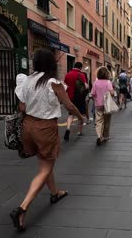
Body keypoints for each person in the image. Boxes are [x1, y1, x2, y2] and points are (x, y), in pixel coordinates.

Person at [10, 49, 82, 232]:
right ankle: (22, 208)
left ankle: (54, 193)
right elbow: (69, 105)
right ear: (51, 64)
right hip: (45, 128)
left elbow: (21, 106)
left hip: (28, 126)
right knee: (44, 169)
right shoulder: (53, 82)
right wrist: (81, 117)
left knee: (44, 162)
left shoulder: (27, 80)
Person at [63, 62, 88, 140]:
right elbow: (86, 86)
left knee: (71, 114)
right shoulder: (81, 75)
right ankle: (79, 131)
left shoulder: (68, 74)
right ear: (80, 67)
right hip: (80, 98)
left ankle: (68, 128)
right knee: (82, 114)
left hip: (71, 98)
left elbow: (65, 86)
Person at [91, 66, 115, 145]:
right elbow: (112, 93)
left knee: (98, 121)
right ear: (107, 74)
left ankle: (99, 136)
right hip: (107, 104)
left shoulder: (95, 82)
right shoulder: (108, 82)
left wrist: (95, 99)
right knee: (107, 121)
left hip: (98, 104)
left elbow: (92, 94)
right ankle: (105, 136)